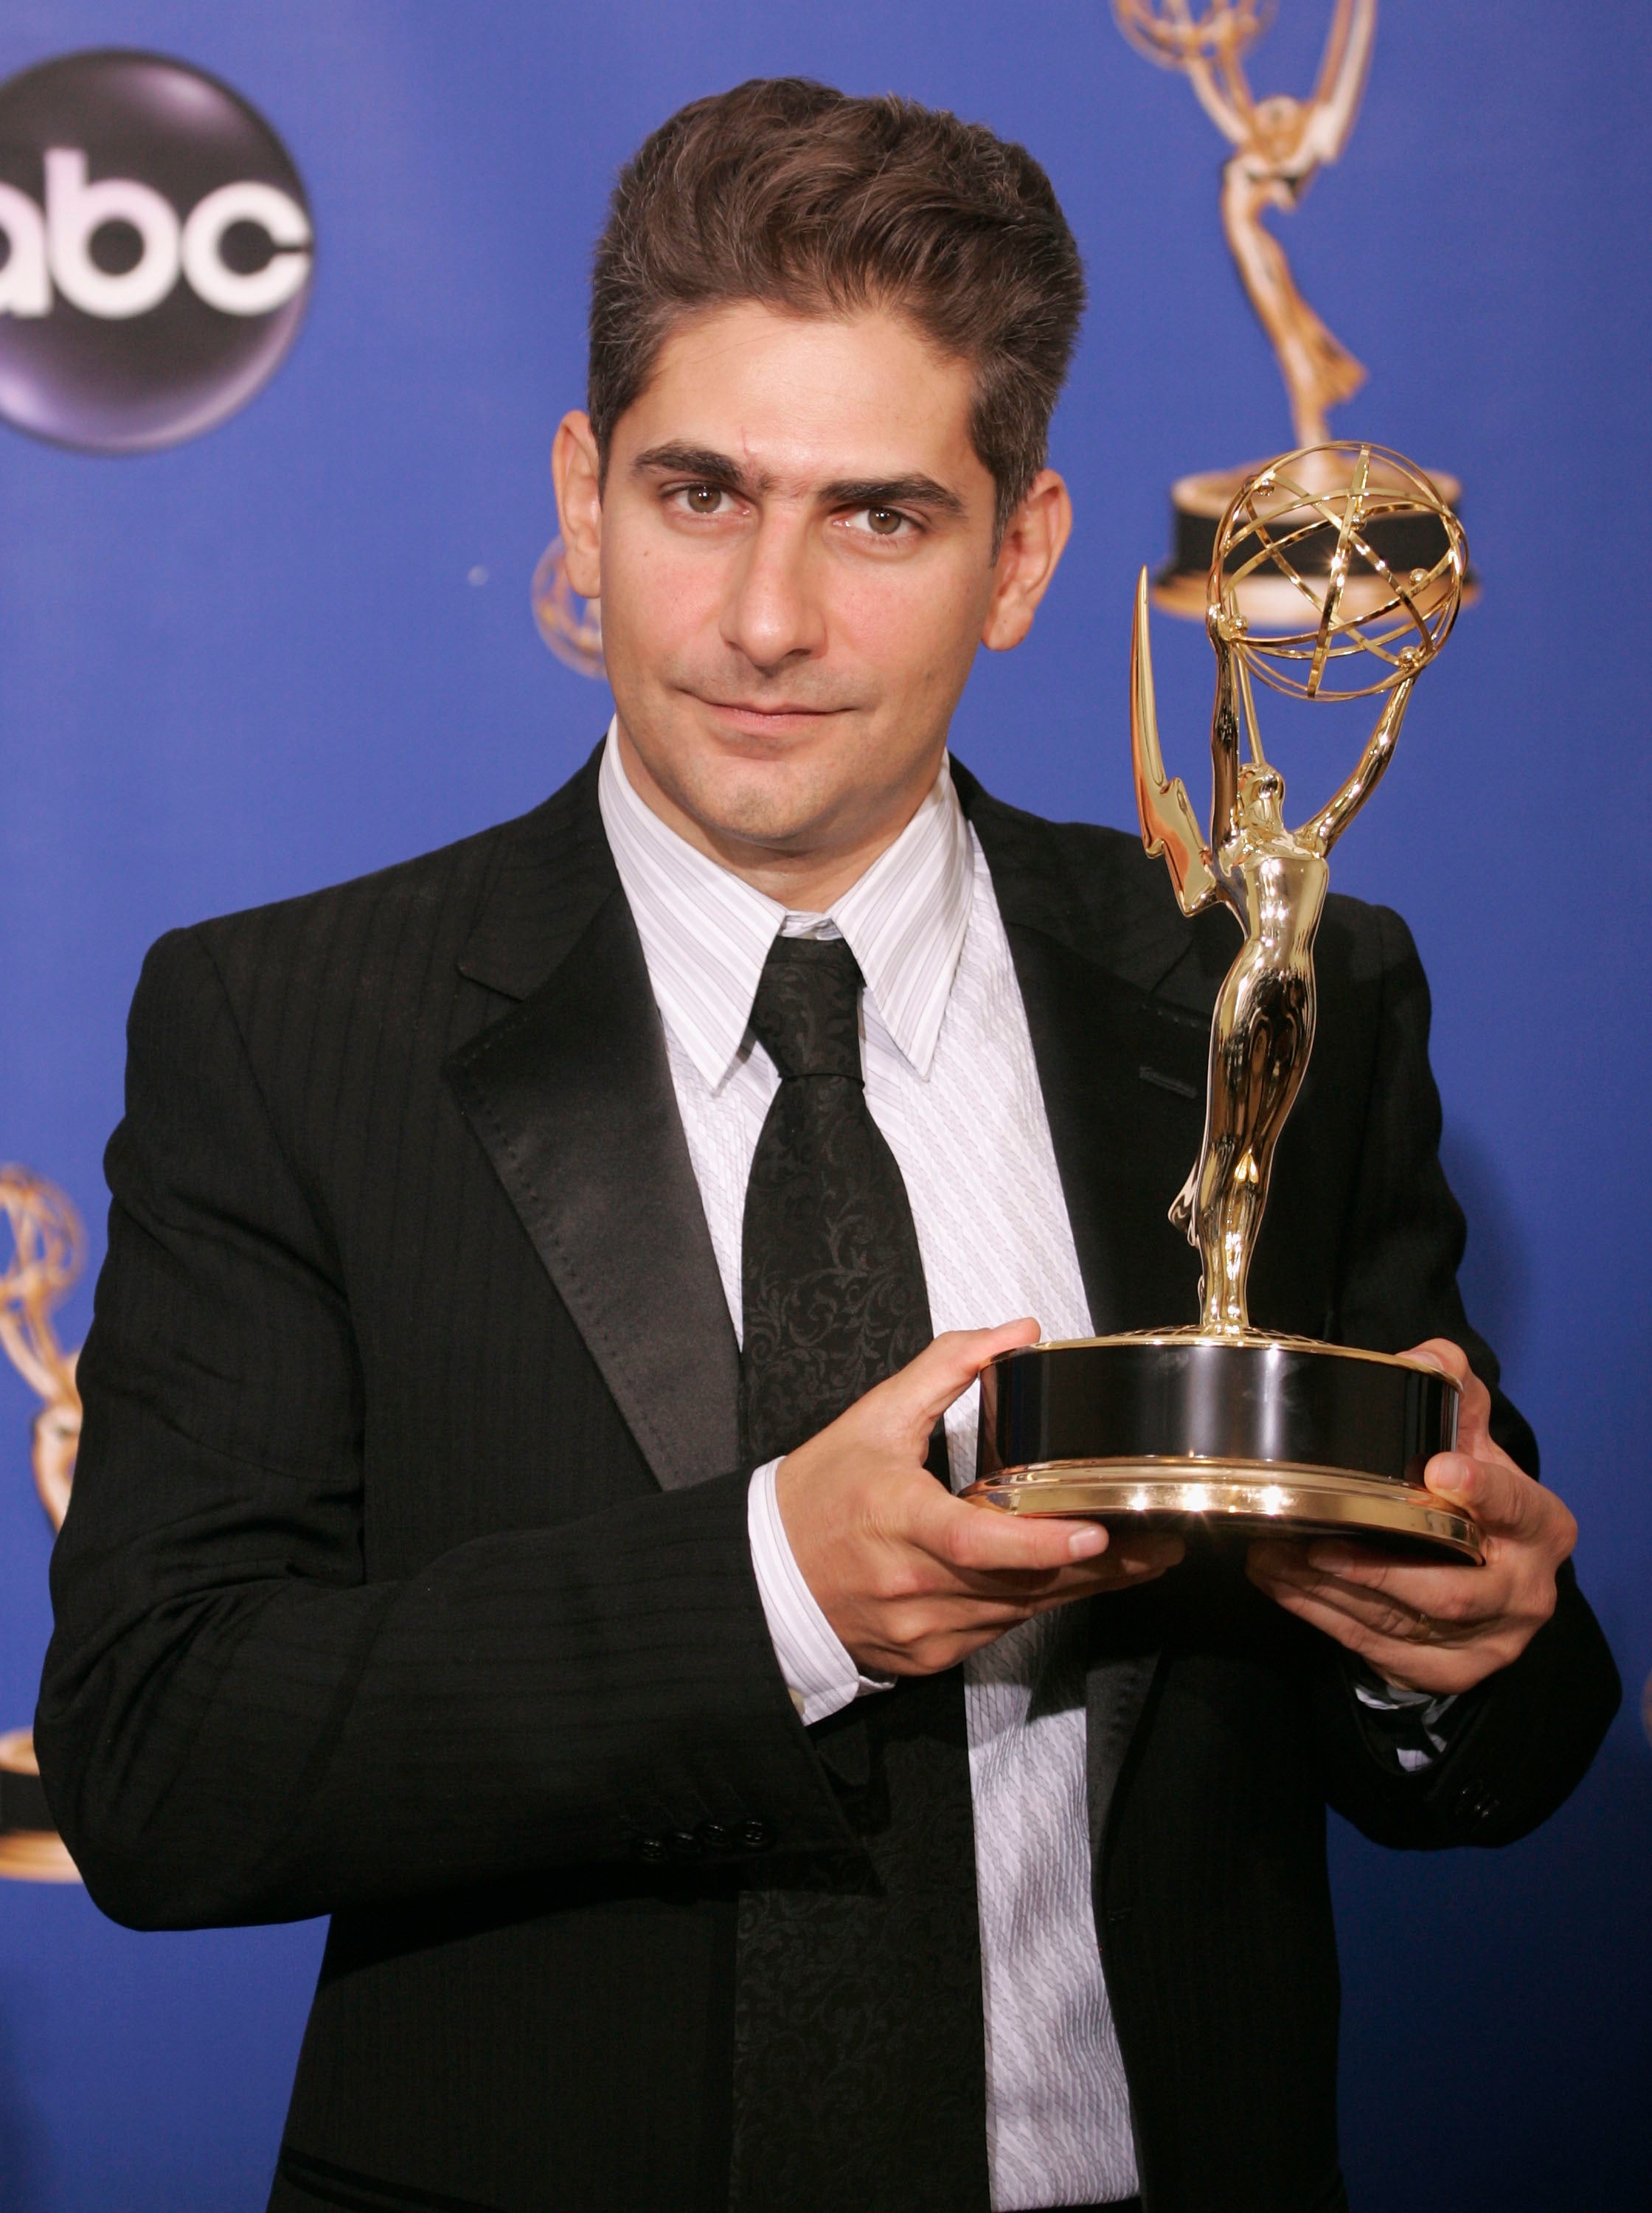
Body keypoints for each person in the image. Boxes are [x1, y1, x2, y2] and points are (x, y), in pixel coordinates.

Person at [35, 77, 1617, 2213]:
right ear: (582, 498)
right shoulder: (293, 1028)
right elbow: (156, 1763)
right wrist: (785, 1584)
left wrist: (1478, 1644)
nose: (767, 618)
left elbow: (1456, 1766)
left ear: (1025, 554)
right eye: (700, 495)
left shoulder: (1275, 1002)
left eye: (878, 515)